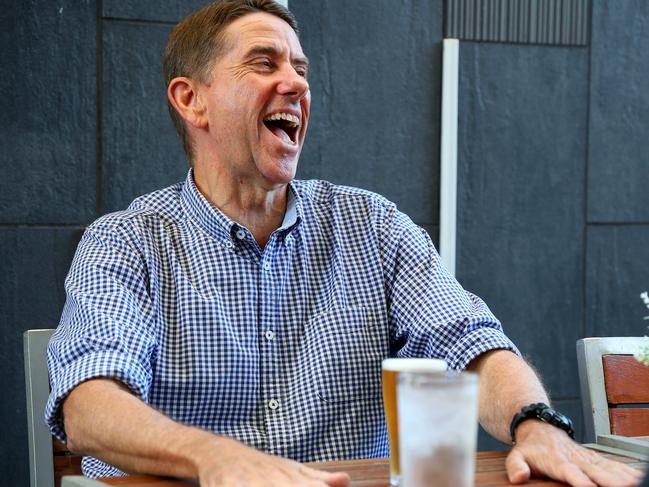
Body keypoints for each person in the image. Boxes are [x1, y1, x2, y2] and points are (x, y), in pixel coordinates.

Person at [45, 1, 642, 486]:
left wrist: (535, 423)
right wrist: (215, 459)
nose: (294, 83)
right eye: (263, 62)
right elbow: (89, 405)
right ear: (190, 99)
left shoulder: (372, 225)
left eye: (301, 69)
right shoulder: (125, 241)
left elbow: (471, 343)